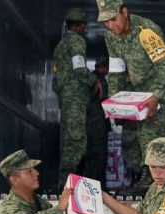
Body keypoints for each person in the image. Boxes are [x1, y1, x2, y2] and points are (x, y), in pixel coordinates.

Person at [98, 0, 165, 196]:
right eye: (105, 22)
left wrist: (156, 96)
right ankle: (147, 181)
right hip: (138, 93)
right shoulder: (111, 36)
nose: (110, 25)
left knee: (151, 135)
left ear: (124, 12)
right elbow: (116, 70)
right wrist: (113, 102)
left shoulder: (147, 31)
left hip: (160, 90)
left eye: (113, 19)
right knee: (136, 138)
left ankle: (151, 183)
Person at [53, 8, 103, 190]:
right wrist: (94, 80)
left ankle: (66, 179)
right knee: (76, 139)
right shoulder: (76, 42)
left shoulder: (61, 45)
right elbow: (79, 68)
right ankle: (68, 182)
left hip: (66, 96)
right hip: (75, 97)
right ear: (81, 25)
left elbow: (56, 78)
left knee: (68, 137)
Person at [85, 56, 112, 189]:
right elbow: (104, 101)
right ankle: (98, 188)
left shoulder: (90, 78)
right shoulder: (99, 80)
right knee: (98, 157)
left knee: (91, 157)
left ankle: (93, 186)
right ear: (105, 67)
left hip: (90, 124)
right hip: (97, 125)